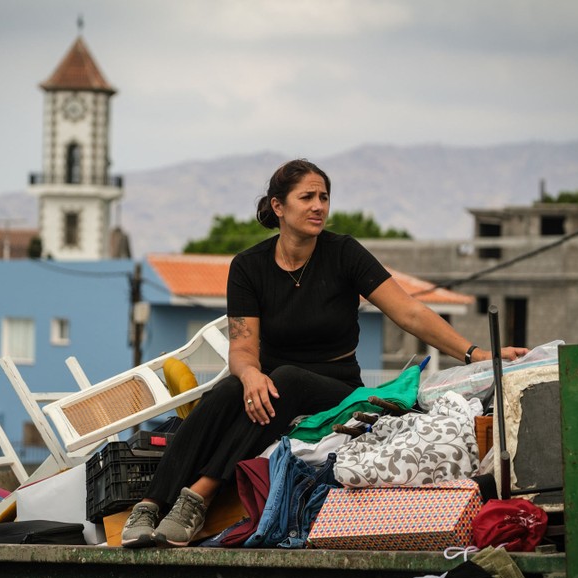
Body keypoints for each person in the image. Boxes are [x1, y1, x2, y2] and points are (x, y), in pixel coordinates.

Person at [122, 159, 528, 548]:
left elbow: (410, 312)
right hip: (272, 381)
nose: (319, 206)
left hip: (336, 388)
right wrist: (248, 375)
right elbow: (243, 348)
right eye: (307, 197)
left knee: (284, 380)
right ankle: (149, 505)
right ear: (278, 206)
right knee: (229, 390)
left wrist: (475, 352)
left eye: (324, 197)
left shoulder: (343, 253)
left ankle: (199, 495)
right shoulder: (248, 266)